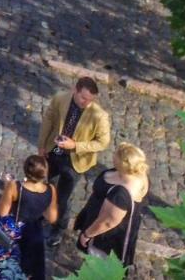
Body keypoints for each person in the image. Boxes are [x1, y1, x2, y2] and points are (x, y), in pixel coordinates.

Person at [38, 76, 112, 247]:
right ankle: (45, 212)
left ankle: (59, 229)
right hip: (54, 151)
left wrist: (76, 145)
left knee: (63, 198)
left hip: (75, 162)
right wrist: (42, 145)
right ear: (75, 90)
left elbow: (103, 143)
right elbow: (48, 120)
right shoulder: (60, 99)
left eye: (90, 100)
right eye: (83, 98)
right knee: (47, 186)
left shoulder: (99, 116)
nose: (86, 102)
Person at [74, 143, 148, 267]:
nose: (113, 156)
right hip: (101, 219)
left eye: (115, 156)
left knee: (95, 265)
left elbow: (108, 222)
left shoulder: (120, 195)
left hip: (104, 237)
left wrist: (87, 234)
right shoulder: (139, 174)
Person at [0, 155, 58, 280]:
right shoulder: (51, 189)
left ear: (25, 170)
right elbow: (52, 218)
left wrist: (7, 186)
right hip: (34, 231)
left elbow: (3, 212)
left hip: (15, 227)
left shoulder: (15, 186)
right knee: (30, 265)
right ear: (44, 173)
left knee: (4, 259)